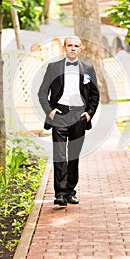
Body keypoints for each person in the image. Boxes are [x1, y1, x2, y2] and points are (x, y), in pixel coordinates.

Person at [38, 36, 100, 207]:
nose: (73, 48)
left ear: (81, 49)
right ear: (64, 48)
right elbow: (42, 93)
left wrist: (89, 113)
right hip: (60, 114)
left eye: (76, 46)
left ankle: (71, 192)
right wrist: (50, 112)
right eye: (69, 45)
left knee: (73, 155)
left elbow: (95, 94)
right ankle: (59, 194)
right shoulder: (53, 67)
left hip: (79, 115)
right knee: (59, 155)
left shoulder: (88, 68)